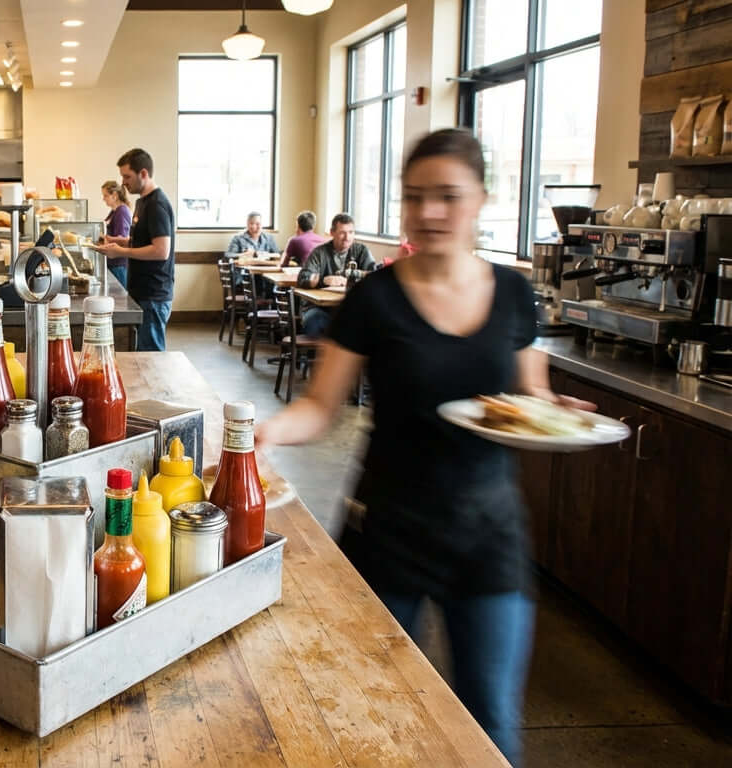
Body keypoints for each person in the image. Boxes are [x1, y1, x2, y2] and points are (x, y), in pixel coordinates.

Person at [254, 128, 594, 766]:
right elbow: (321, 406)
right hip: (389, 530)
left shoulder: (516, 294)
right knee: (376, 717)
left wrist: (559, 414)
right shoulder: (374, 298)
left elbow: (530, 394)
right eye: (415, 197)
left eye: (448, 196)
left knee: (490, 720)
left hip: (489, 537)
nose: (430, 211)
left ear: (481, 200)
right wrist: (269, 430)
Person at [95, 148, 175, 351]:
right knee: (141, 353)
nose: (123, 182)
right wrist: (118, 242)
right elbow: (140, 241)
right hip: (141, 290)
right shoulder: (142, 202)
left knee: (151, 357)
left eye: (127, 176)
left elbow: (160, 250)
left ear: (144, 174)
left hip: (154, 293)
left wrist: (121, 252)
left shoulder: (157, 204)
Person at [297, 213, 377, 337]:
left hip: (351, 309)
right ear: (332, 232)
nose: (347, 237)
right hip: (318, 309)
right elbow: (303, 278)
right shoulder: (319, 252)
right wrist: (323, 280)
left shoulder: (361, 251)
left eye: (351, 232)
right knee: (316, 321)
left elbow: (374, 276)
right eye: (342, 233)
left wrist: (355, 276)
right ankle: (317, 355)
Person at [101, 180, 132, 286]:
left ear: (114, 195)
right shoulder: (114, 211)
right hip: (113, 263)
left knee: (121, 299)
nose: (103, 199)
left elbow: (122, 238)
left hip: (119, 264)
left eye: (105, 195)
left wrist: (105, 238)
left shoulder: (122, 211)